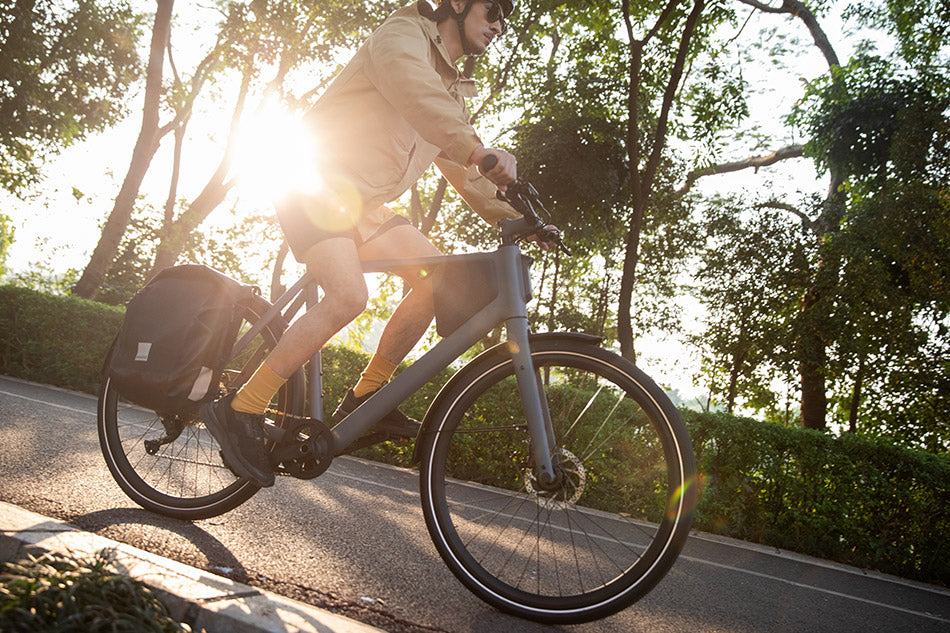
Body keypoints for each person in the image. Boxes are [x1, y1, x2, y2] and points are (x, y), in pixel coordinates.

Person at [201, 0, 556, 488]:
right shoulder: (401, 35)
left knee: (440, 279)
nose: (499, 24)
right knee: (349, 296)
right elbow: (416, 94)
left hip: (360, 205)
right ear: (457, 3)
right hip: (312, 182)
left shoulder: (449, 90)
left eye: (505, 18)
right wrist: (477, 149)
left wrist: (521, 219)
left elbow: (465, 170)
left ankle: (366, 397)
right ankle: (242, 407)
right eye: (493, 9)